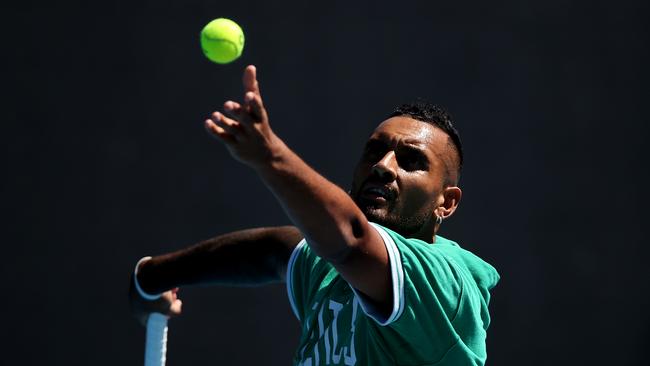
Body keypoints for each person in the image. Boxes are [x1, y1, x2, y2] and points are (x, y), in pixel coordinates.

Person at [129, 65, 500, 365]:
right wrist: (154, 275)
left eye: (412, 161)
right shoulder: (331, 265)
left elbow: (351, 243)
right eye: (374, 151)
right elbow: (274, 251)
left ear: (446, 203)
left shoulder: (444, 280)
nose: (383, 166)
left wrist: (271, 156)